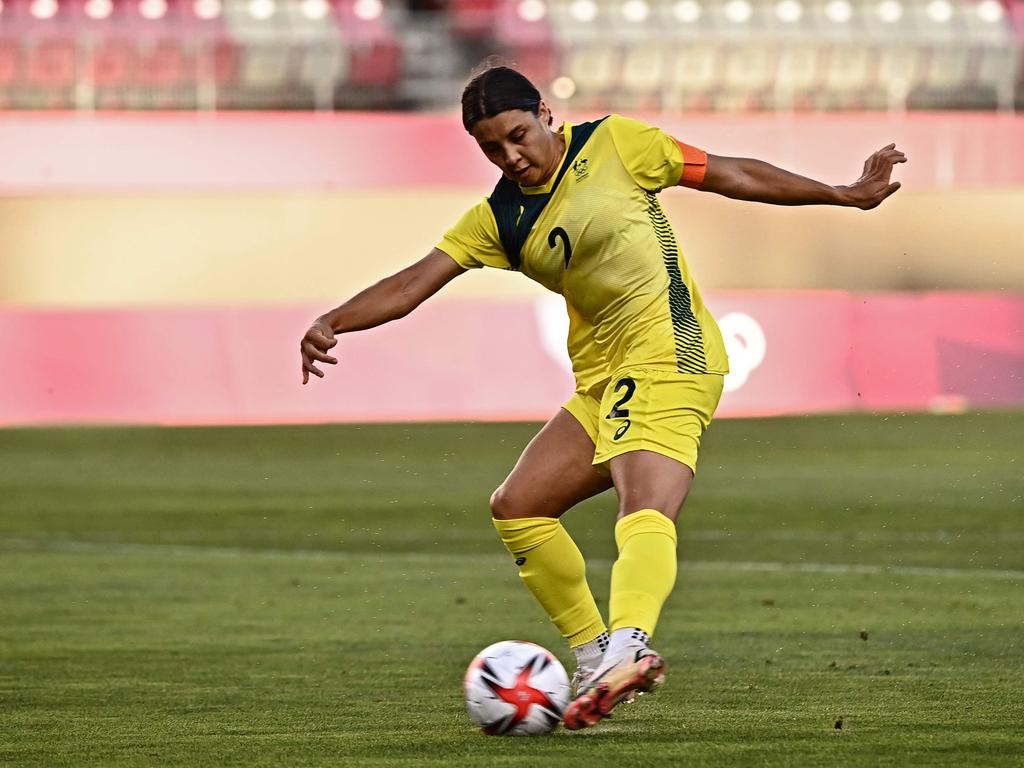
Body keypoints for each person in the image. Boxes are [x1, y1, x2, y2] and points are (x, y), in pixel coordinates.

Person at [299, 65, 906, 730]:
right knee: (518, 506)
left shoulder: (617, 145)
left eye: (518, 135)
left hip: (672, 351)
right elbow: (417, 279)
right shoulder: (500, 218)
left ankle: (630, 645)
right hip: (602, 379)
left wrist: (844, 193)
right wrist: (336, 318)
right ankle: (594, 656)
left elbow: (732, 173)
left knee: (643, 501)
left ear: (545, 114)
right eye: (491, 149)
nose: (511, 157)